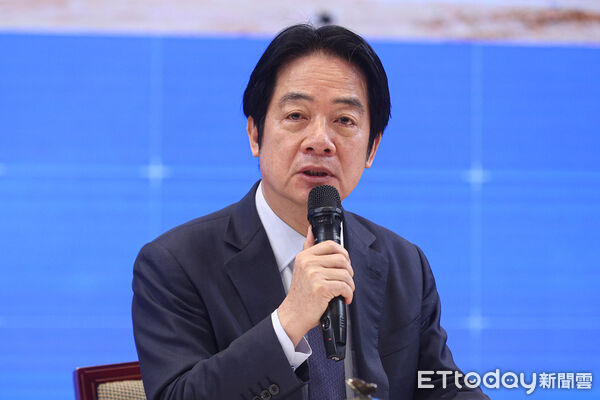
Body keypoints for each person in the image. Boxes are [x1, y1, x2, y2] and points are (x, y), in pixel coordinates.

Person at [132, 24, 489, 400]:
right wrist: (288, 321)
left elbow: (444, 390)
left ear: (372, 148)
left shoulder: (404, 264)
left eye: (344, 121)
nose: (320, 141)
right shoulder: (176, 264)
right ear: (255, 134)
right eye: (296, 115)